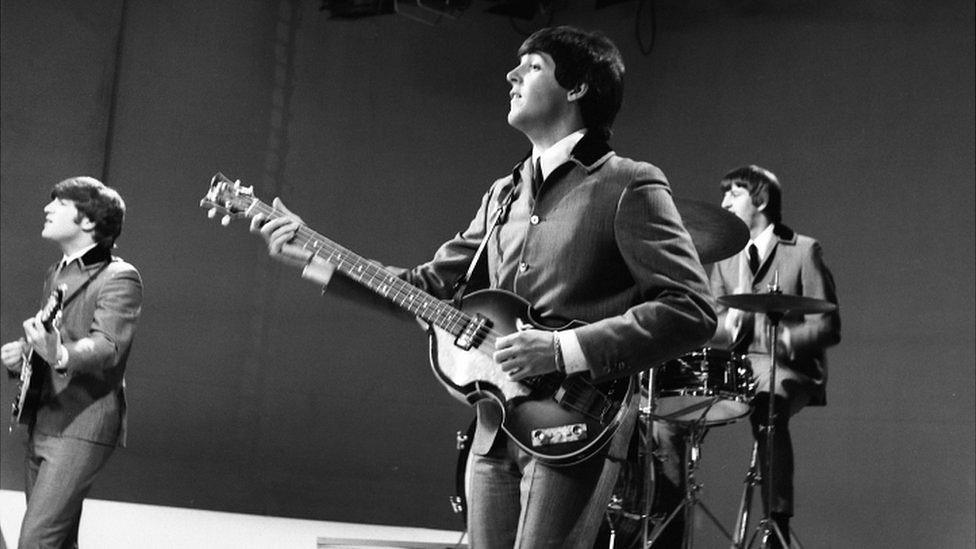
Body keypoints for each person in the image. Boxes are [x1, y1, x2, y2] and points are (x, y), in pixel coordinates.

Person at [251, 26, 715, 547]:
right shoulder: (503, 194)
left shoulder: (628, 182)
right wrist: (316, 257)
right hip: (493, 428)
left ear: (579, 85)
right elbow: (427, 288)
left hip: (578, 422)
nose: (512, 75)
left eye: (533, 66)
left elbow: (691, 307)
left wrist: (561, 349)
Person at [652, 165, 840, 548]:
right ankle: (669, 532)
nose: (723, 202)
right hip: (735, 369)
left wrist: (782, 337)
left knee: (768, 407)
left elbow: (828, 326)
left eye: (733, 194)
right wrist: (725, 324)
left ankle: (777, 525)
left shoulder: (803, 250)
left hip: (784, 368)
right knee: (665, 423)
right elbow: (714, 323)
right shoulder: (724, 258)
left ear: (762, 200)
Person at [1, 176, 143, 547]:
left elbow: (108, 346)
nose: (48, 208)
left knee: (36, 541)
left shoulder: (120, 277)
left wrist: (59, 353)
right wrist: (25, 353)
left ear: (90, 221)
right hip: (45, 417)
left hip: (83, 422)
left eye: (60, 203)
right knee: (58, 542)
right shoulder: (57, 272)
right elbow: (54, 334)